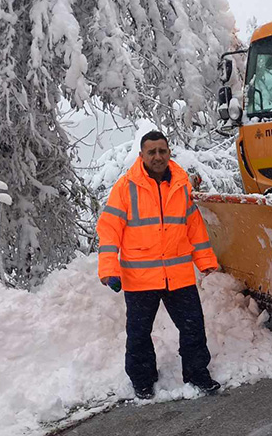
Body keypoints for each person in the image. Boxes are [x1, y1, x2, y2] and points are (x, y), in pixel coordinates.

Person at [96, 130, 220, 400]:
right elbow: (109, 229)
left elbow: (194, 227)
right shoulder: (126, 187)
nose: (158, 156)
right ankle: (142, 380)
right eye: (151, 152)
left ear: (169, 153)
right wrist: (108, 270)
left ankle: (198, 373)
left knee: (193, 327)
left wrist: (205, 260)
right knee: (139, 334)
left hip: (178, 274)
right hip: (140, 277)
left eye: (162, 151)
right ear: (141, 155)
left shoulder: (181, 185)